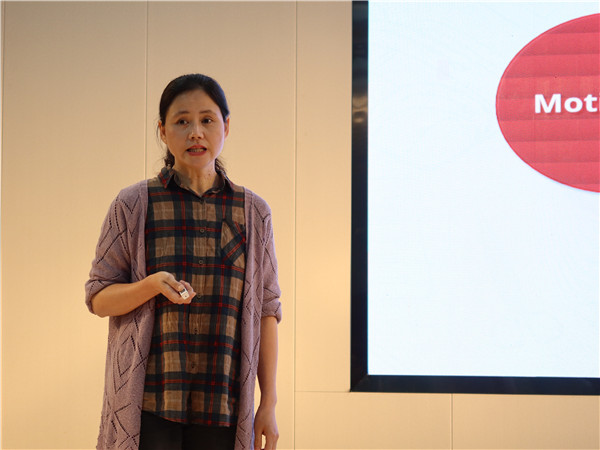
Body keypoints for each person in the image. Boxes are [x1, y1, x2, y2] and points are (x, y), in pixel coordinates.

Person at [85, 73, 282, 450]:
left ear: (226, 126)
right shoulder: (133, 204)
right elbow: (98, 298)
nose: (196, 133)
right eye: (182, 121)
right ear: (162, 130)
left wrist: (268, 403)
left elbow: (267, 311)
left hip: (224, 405)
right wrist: (149, 286)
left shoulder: (254, 212)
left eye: (207, 120)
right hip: (148, 405)